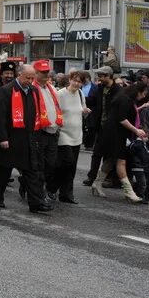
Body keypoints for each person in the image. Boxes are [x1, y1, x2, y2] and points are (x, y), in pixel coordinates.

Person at [0, 64, 51, 212]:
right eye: (27, 78)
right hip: (10, 138)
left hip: (28, 138)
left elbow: (35, 114)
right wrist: (2, 138)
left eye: (32, 78)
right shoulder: (6, 91)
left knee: (32, 171)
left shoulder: (34, 90)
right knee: (4, 171)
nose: (30, 81)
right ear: (19, 75)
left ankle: (36, 203)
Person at [91, 82, 146, 202]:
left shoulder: (125, 98)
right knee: (121, 162)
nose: (143, 96)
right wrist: (136, 130)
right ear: (138, 92)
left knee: (110, 159)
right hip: (114, 134)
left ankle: (97, 183)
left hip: (115, 133)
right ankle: (129, 192)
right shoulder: (124, 99)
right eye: (143, 93)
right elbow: (122, 119)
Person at [52, 71, 89, 204]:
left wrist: (85, 111)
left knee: (71, 166)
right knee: (65, 163)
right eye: (75, 80)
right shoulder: (60, 94)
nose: (76, 83)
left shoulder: (80, 94)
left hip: (77, 134)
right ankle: (51, 188)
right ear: (69, 80)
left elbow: (82, 110)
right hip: (63, 133)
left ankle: (66, 194)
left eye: (80, 82)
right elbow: (54, 111)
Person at [32, 59, 63, 202]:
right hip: (39, 131)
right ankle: (39, 191)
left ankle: (45, 187)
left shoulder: (52, 88)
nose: (46, 75)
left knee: (51, 164)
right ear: (35, 73)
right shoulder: (32, 89)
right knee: (40, 164)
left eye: (47, 72)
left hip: (53, 130)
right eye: (42, 73)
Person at [84, 66, 116, 186]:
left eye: (101, 76)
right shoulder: (99, 88)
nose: (99, 79)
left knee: (108, 155)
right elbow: (92, 100)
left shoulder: (117, 90)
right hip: (100, 127)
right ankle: (91, 177)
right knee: (96, 153)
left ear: (108, 76)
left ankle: (106, 178)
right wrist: (79, 96)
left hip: (112, 128)